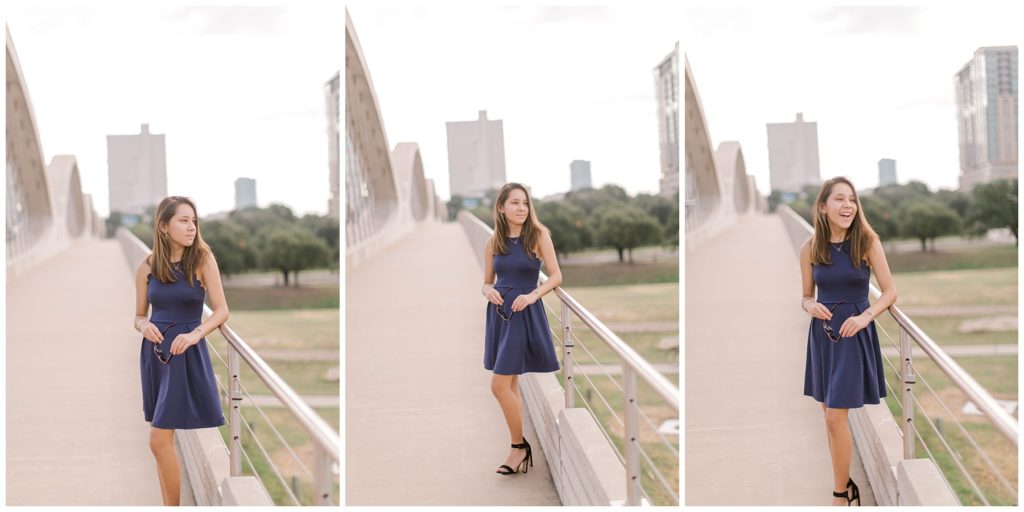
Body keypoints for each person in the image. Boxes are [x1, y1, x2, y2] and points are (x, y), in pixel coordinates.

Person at [800, 177, 897, 506]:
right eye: (839, 200)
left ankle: (840, 496)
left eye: (852, 200)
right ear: (823, 207)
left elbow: (890, 292)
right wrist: (810, 306)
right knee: (829, 418)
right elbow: (804, 296)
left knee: (833, 417)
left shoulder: (867, 242)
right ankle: (844, 483)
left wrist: (866, 316)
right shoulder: (810, 248)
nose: (847, 206)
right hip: (823, 337)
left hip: (854, 333)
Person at [133, 196, 228, 505]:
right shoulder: (146, 266)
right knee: (161, 441)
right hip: (156, 356)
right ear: (163, 226)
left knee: (158, 439)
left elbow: (221, 311)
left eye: (193, 221)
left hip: (185, 353)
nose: (191, 227)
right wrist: (143, 325)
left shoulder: (202, 259)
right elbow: (138, 315)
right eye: (183, 221)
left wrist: (195, 334)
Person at [481, 183, 562, 475]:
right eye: (514, 203)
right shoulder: (494, 242)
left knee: (498, 385)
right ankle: (518, 447)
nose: (521, 208)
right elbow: (487, 281)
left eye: (525, 203)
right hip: (499, 314)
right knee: (509, 384)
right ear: (501, 208)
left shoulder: (538, 236)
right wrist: (487, 290)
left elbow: (556, 276)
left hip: (524, 312)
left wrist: (533, 295)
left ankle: (517, 447)